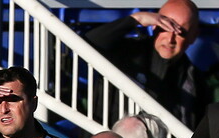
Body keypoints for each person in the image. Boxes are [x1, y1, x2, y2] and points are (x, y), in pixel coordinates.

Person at [85, 0, 204, 129]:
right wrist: (136, 19)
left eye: (181, 32)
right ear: (154, 25)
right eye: (164, 27)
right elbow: (84, 45)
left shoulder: (194, 78)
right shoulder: (127, 50)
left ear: (194, 36)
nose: (170, 39)